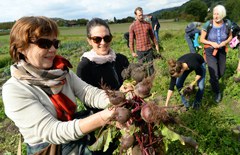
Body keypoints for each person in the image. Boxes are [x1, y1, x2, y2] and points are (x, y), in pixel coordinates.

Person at [2, 16, 116, 155]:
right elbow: (53, 131)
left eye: (55, 43)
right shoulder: (15, 89)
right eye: (44, 43)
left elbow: (88, 93)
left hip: (75, 134)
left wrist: (117, 99)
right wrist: (104, 117)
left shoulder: (61, 72)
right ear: (21, 48)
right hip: (51, 148)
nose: (52, 49)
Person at [77, 18, 129, 91]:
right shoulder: (85, 67)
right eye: (97, 39)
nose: (103, 43)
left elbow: (130, 81)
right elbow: (87, 96)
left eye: (107, 38)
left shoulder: (121, 59)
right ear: (89, 41)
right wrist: (118, 95)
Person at [200, 5, 232, 103]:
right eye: (214, 13)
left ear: (222, 14)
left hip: (222, 50)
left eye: (218, 14)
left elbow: (230, 36)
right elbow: (201, 39)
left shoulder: (227, 24)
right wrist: (211, 43)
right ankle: (217, 92)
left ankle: (213, 81)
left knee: (221, 72)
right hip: (210, 51)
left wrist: (225, 42)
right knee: (214, 74)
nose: (215, 16)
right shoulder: (208, 24)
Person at [129, 7, 160, 75]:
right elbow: (131, 41)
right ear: (136, 15)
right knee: (141, 68)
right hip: (140, 51)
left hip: (149, 49)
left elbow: (153, 37)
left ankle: (152, 82)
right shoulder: (132, 26)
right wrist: (132, 52)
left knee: (151, 67)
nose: (141, 16)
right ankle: (144, 82)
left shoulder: (147, 24)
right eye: (139, 15)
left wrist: (156, 45)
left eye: (142, 14)